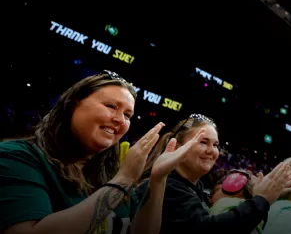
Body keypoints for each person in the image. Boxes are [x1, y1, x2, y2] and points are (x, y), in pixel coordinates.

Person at [0, 71, 201, 234]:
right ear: (72, 104)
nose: (120, 120)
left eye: (127, 115)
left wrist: (158, 180)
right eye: (111, 106)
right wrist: (125, 178)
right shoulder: (16, 157)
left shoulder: (111, 173)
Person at [138, 114, 291, 233]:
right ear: (176, 145)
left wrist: (257, 195)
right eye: (203, 142)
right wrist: (261, 200)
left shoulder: (196, 188)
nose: (211, 151)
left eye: (216, 145)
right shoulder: (167, 186)